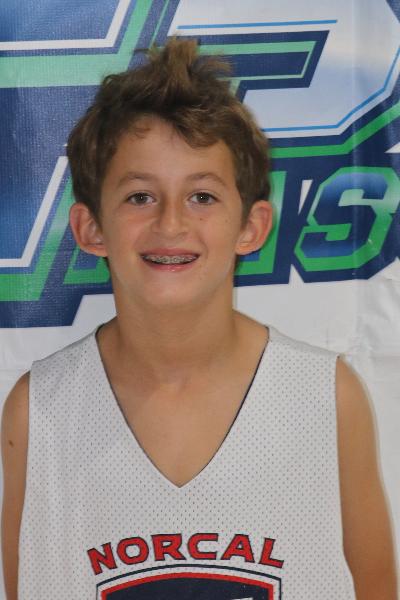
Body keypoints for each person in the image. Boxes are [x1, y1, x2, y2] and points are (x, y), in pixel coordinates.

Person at [1, 37, 397, 600]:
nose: (171, 224)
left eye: (203, 197)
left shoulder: (326, 399)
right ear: (91, 229)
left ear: (251, 227)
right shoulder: (38, 413)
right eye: (140, 196)